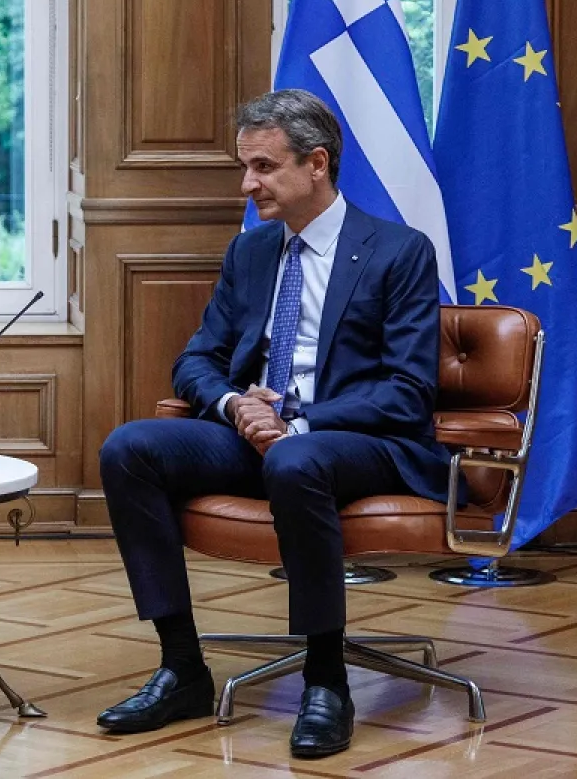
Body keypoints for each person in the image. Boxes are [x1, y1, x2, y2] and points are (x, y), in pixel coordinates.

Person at [95, 89, 446, 760]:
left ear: (317, 163)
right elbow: (197, 359)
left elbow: (406, 392)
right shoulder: (252, 254)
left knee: (295, 458)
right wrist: (235, 406)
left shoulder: (398, 252)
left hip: (360, 443)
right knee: (129, 448)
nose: (247, 183)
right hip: (254, 432)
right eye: (244, 165)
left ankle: (326, 680)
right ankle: (181, 669)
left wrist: (297, 419)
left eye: (263, 166)